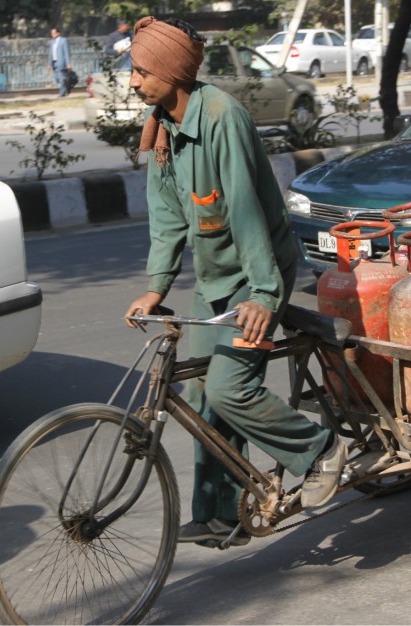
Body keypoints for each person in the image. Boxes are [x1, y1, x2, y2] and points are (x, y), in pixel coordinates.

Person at [122, 16, 346, 548]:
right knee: (200, 391)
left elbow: (245, 212)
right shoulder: (164, 128)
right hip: (215, 277)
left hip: (259, 269)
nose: (133, 82)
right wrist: (156, 286)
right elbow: (167, 216)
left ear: (172, 73)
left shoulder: (223, 118)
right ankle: (223, 512)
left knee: (230, 388)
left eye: (140, 71)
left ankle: (321, 451)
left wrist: (267, 297)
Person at [49, 26, 72, 97]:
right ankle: (65, 88)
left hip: (62, 63)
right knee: (57, 78)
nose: (52, 35)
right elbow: (50, 54)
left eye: (54, 33)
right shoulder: (52, 42)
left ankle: (62, 94)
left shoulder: (64, 41)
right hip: (54, 63)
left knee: (62, 78)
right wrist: (49, 64)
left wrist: (68, 63)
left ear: (58, 33)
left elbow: (66, 53)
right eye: (51, 33)